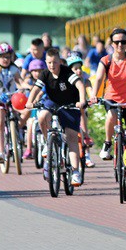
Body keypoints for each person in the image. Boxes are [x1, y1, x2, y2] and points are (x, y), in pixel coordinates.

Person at [26, 48, 87, 186]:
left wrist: (82, 101)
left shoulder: (66, 72)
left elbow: (80, 85)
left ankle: (75, 172)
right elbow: (36, 88)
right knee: (42, 116)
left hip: (70, 104)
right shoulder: (45, 74)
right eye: (49, 62)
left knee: (71, 136)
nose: (51, 65)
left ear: (59, 61)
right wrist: (29, 102)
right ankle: (48, 143)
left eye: (54, 62)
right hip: (52, 102)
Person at [90, 28, 126, 160]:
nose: (120, 45)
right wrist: (94, 95)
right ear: (112, 44)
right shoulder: (106, 61)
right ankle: (107, 143)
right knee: (111, 115)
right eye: (116, 42)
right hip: (111, 98)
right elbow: (99, 78)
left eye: (123, 42)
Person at [67, 54, 95, 167]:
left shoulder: (85, 81)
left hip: (80, 109)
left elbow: (90, 91)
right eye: (75, 69)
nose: (79, 71)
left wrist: (92, 98)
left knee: (82, 111)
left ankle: (87, 151)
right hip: (68, 109)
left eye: (80, 68)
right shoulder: (66, 81)